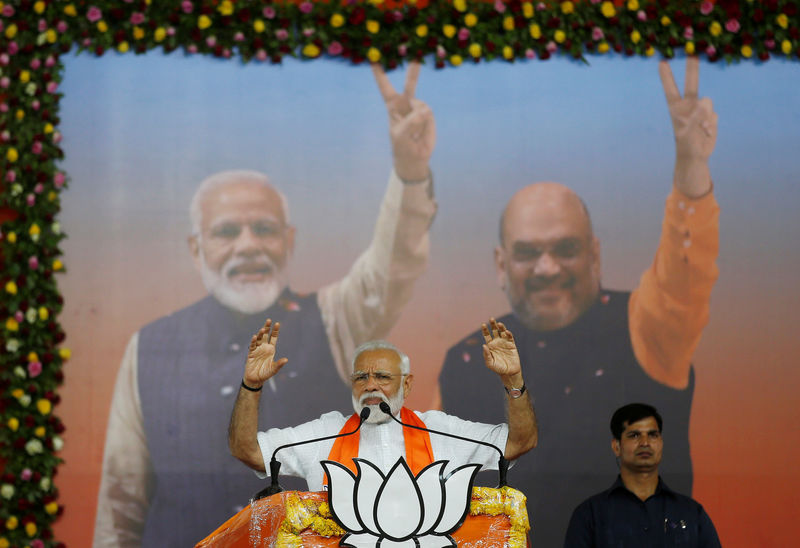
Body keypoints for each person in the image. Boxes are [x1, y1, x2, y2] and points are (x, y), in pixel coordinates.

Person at [93, 63, 438, 548]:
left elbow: (394, 265)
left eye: (265, 229)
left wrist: (409, 172)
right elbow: (119, 505)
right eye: (227, 232)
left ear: (289, 241)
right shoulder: (149, 347)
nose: (248, 246)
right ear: (196, 249)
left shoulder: (335, 317)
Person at [438, 57, 719, 546]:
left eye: (566, 249)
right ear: (501, 264)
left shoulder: (641, 327)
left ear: (594, 254)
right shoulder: (465, 359)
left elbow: (682, 281)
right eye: (528, 253)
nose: (548, 268)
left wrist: (690, 173)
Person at [229, 318, 538, 491]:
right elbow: (250, 451)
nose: (371, 384)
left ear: (407, 383)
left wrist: (512, 379)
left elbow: (518, 442)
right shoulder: (326, 433)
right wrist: (252, 385)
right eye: (361, 377)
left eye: (382, 376)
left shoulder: (440, 430)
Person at [563, 403, 721, 547]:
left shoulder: (691, 513)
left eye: (653, 435)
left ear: (661, 443)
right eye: (634, 435)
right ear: (616, 446)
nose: (645, 443)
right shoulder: (590, 515)